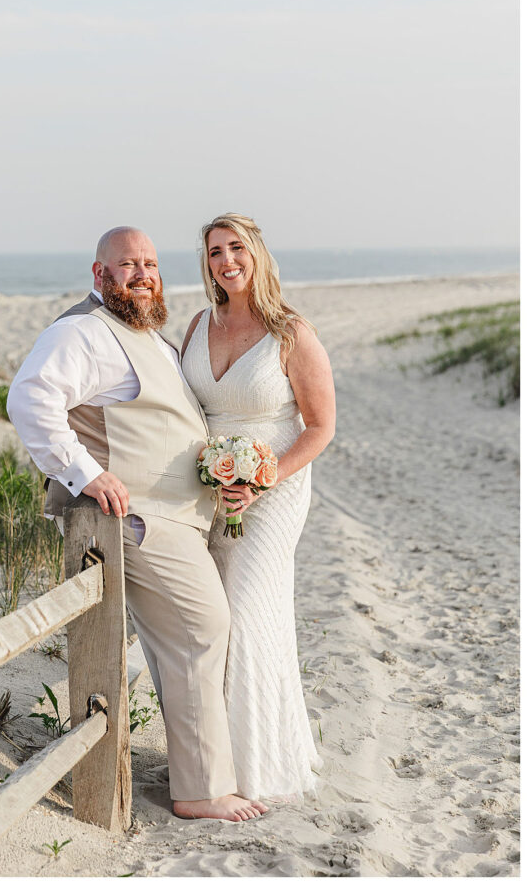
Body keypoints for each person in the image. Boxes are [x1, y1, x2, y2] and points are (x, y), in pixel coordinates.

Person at [7, 227, 268, 822]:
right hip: (137, 519)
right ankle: (199, 791)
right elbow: (29, 399)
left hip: (179, 515)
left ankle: (200, 771)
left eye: (150, 263)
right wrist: (83, 474)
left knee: (191, 638)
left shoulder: (148, 335)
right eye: (128, 265)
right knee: (203, 629)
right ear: (100, 275)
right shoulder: (81, 332)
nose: (143, 273)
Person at [181, 213, 336, 802]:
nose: (227, 261)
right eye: (216, 251)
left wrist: (264, 479)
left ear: (257, 254)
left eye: (236, 248)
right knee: (212, 620)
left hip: (274, 494)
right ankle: (213, 765)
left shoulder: (291, 331)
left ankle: (258, 770)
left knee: (246, 615)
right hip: (209, 493)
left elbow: (320, 427)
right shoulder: (198, 324)